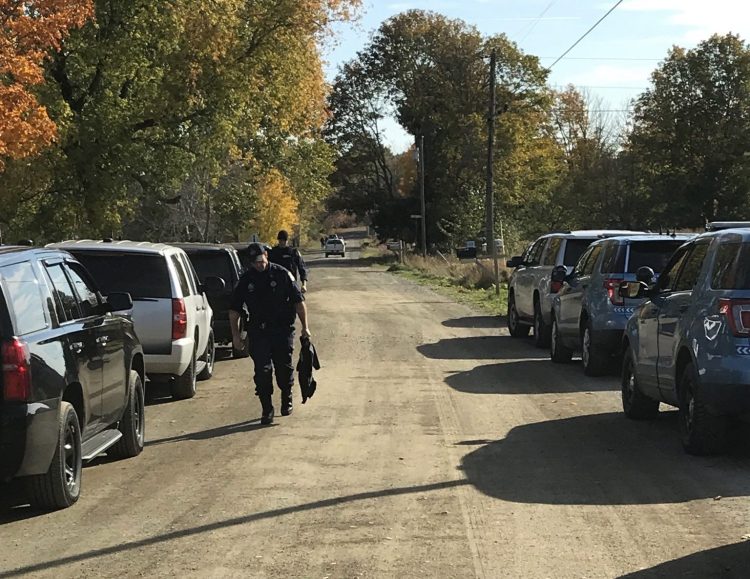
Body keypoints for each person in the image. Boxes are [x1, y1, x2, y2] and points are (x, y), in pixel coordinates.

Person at [229, 242, 311, 425]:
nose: (259, 264)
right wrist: (235, 335)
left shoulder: (282, 274)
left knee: (283, 368)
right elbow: (234, 311)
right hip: (258, 332)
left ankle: (286, 396)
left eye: (261, 260)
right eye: (255, 262)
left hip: (282, 331)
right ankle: (266, 408)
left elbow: (299, 302)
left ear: (266, 255)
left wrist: (305, 327)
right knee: (262, 372)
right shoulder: (246, 280)